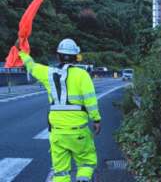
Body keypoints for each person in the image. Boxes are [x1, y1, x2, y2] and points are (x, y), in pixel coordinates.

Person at [17, 38, 101, 182]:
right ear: (76, 57)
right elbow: (90, 100)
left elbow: (30, 65)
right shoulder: (82, 75)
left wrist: (21, 50)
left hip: (57, 133)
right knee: (86, 162)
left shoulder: (47, 73)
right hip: (78, 131)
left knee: (60, 172)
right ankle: (83, 179)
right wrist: (96, 120)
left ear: (58, 56)